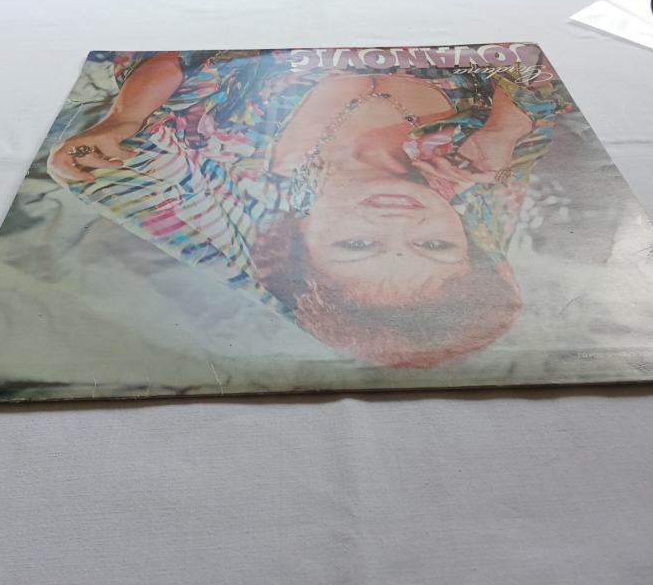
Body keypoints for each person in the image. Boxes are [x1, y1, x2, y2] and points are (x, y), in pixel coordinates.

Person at [48, 49, 566, 368]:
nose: (397, 222)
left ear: (301, 242)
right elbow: (537, 62)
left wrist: (124, 117)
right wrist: (505, 126)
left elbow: (170, 52)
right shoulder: (484, 158)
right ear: (466, 240)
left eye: (358, 245)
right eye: (433, 245)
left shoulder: (227, 156)